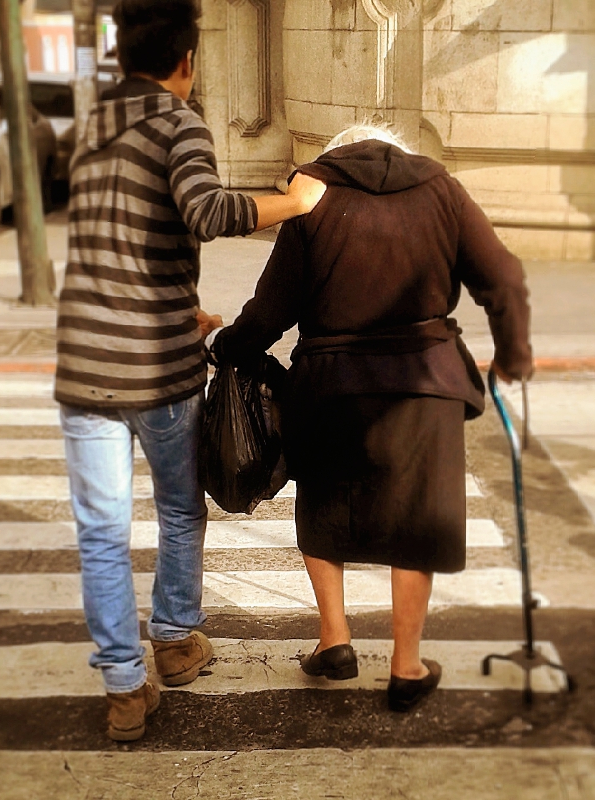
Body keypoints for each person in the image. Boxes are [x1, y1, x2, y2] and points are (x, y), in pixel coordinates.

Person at [56, 0, 325, 742]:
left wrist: (183, 300)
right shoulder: (179, 122)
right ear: (185, 61)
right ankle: (174, 641)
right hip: (156, 367)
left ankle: (122, 688)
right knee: (179, 509)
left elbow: (120, 235)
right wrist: (293, 202)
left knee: (102, 535)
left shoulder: (90, 126)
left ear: (120, 57)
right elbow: (206, 211)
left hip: (84, 362)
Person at [213, 124, 532, 713]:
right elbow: (505, 278)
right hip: (425, 382)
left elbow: (271, 308)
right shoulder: (442, 191)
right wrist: (513, 357)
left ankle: (335, 641)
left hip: (332, 384)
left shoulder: (315, 194)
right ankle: (407, 665)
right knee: (414, 515)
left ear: (339, 153)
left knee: (325, 502)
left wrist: (230, 346)